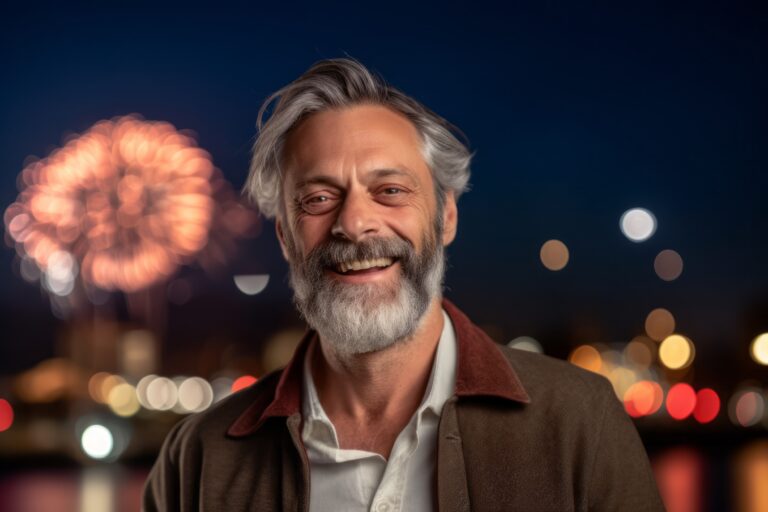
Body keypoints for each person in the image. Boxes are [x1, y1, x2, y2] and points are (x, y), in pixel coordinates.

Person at [143, 58, 664, 511]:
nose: (354, 223)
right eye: (319, 199)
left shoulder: (580, 423)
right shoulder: (198, 457)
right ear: (285, 236)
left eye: (390, 190)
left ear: (445, 219)